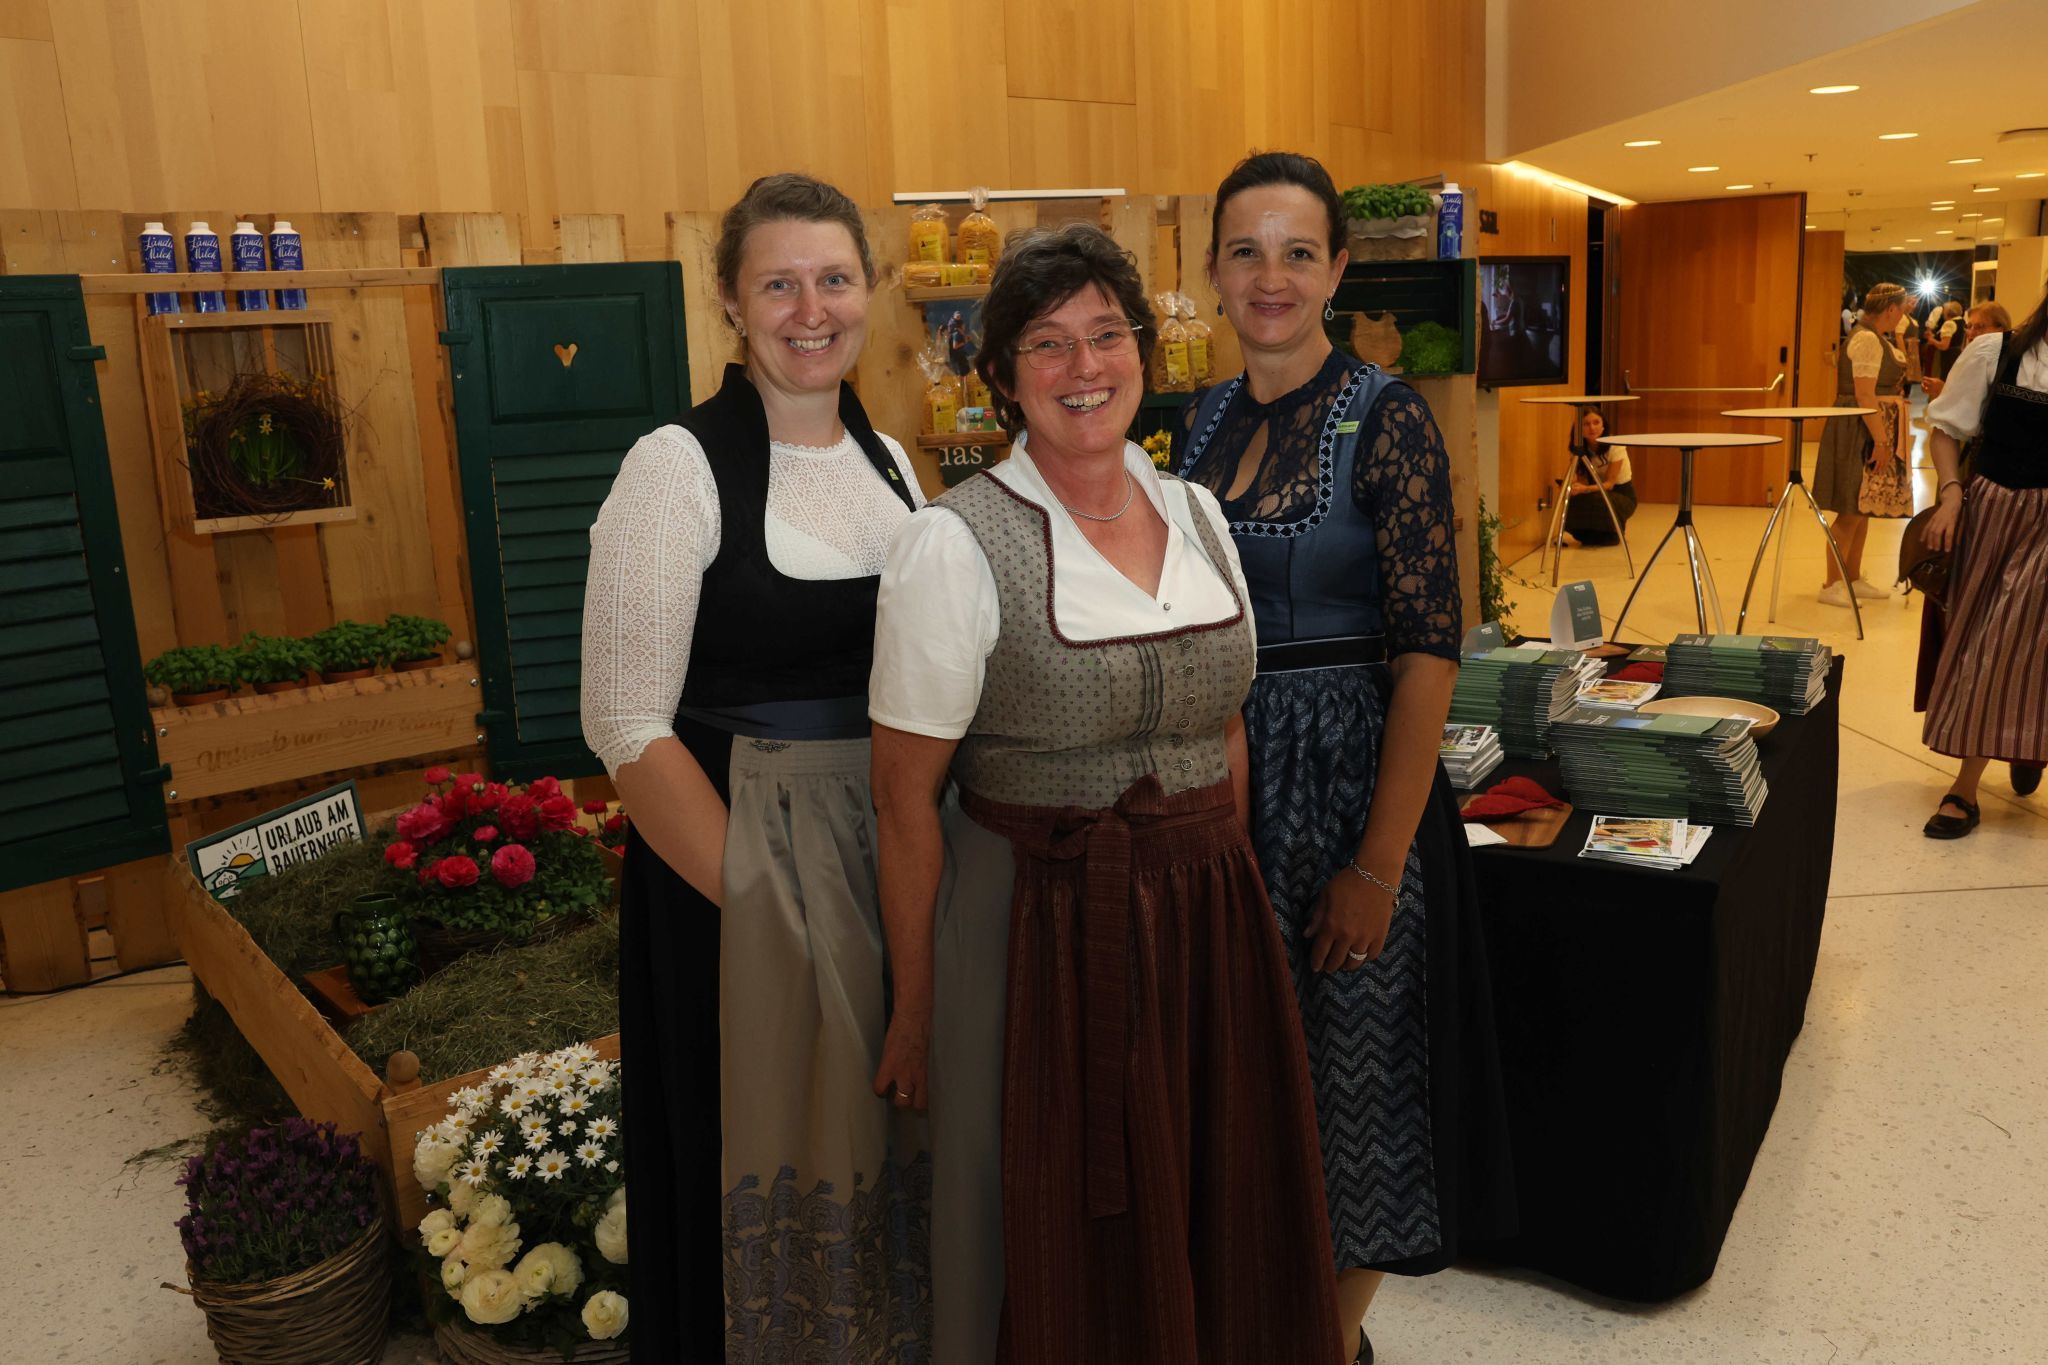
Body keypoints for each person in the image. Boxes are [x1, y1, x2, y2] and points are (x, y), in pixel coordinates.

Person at [868, 222, 1344, 1365]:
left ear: (1142, 349)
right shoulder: (952, 544)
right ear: (1001, 379)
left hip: (1206, 917)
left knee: (1216, 1197)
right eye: (1045, 345)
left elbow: (1223, 725)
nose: (1084, 368)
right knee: (1070, 1223)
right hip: (1042, 924)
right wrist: (917, 1008)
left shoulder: (1193, 514)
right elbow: (901, 801)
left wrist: (1236, 911)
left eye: (1104, 336)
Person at [1173, 151, 1516, 1365]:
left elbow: (1429, 652)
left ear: (1335, 271)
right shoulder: (1194, 420)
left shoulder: (1390, 418)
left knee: (1359, 1096)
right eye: (1245, 251)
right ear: (1210, 270)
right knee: (1239, 1089)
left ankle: (1323, 1344)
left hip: (1343, 787)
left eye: (1297, 252)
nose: (1269, 277)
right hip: (1212, 797)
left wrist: (1375, 865)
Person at [581, 172, 930, 1361]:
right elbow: (625, 721)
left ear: (868, 293)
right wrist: (770, 907)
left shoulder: (892, 463)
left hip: (884, 863)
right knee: (759, 1142)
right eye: (776, 282)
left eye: (834, 279)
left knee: (883, 1143)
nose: (809, 308)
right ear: (730, 303)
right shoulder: (673, 468)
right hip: (737, 883)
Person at [1918, 282, 2048, 833]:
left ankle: (1998, 762)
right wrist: (1950, 493)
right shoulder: (1999, 352)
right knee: (1991, 636)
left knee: (2021, 636)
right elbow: (1944, 430)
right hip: (1996, 513)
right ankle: (1977, 778)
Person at [1813, 282, 1913, 605]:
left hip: (1866, 424)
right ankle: (1832, 584)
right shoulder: (1868, 339)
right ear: (1891, 310)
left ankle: (1851, 578)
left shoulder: (1874, 337)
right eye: (1900, 310)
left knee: (1862, 509)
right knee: (1850, 508)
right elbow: (1864, 394)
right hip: (1860, 426)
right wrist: (1881, 441)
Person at [1559, 406, 1637, 546]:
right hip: (1596, 491)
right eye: (1586, 424)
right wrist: (1571, 488)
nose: (1592, 428)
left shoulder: (1615, 445)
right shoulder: (1579, 449)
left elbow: (1609, 484)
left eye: (1596, 423)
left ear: (1603, 426)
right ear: (1579, 429)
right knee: (1575, 498)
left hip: (1620, 493)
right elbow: (1579, 478)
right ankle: (1588, 533)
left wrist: (1585, 489)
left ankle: (1613, 530)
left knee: (1596, 498)